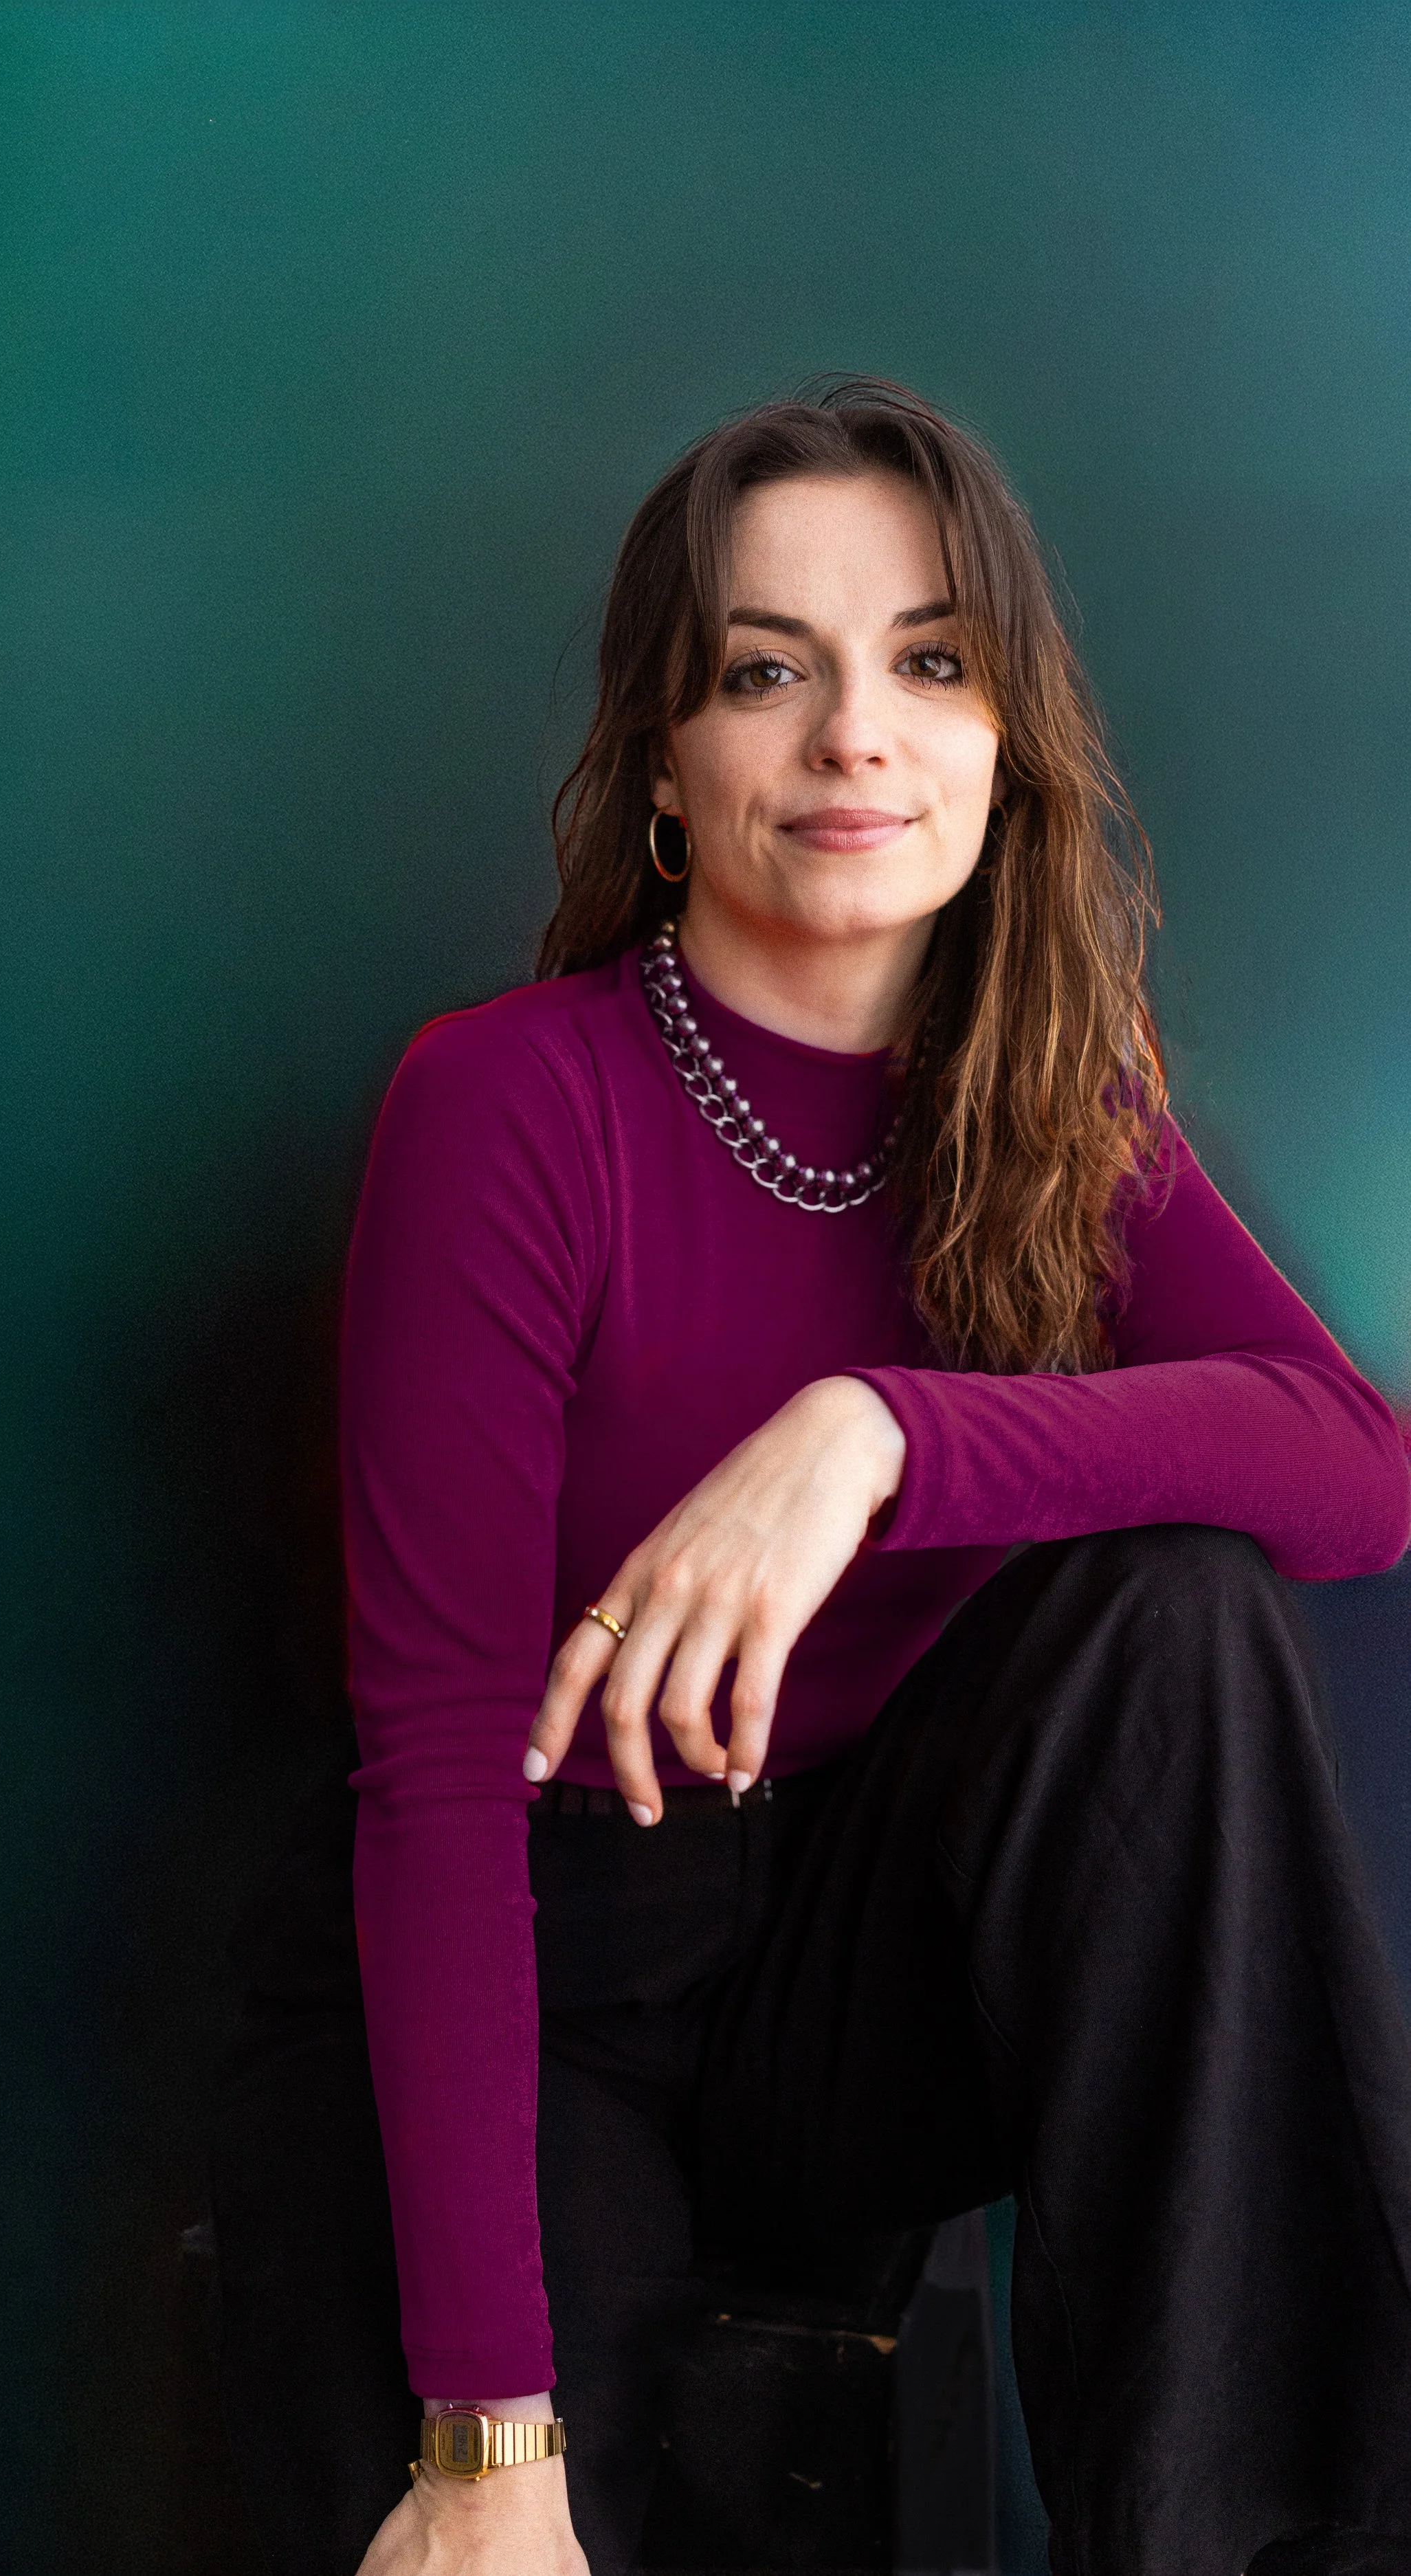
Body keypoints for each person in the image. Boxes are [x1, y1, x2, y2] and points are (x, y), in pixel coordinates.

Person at [210, 379, 1411, 2576]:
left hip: (857, 1975)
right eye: (767, 672)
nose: (858, 734)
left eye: (928, 661)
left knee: (1179, 1606)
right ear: (665, 765)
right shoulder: (508, 1102)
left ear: (1003, 741)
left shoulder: (1047, 1108)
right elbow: (440, 1773)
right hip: (540, 1965)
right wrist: (487, 2441)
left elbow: (1353, 1468)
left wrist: (881, 1431)